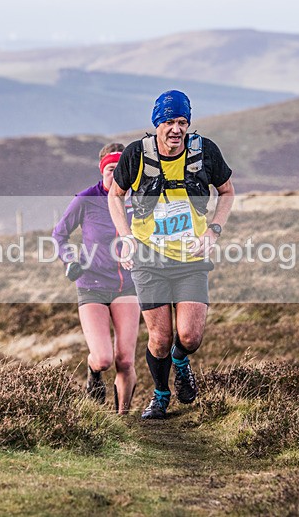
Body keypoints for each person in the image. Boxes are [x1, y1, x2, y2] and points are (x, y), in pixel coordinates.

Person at [107, 90, 235, 419]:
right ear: (156, 124)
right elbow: (115, 195)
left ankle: (182, 362)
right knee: (160, 339)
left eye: (182, 122)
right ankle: (161, 396)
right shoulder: (137, 154)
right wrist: (126, 236)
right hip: (149, 260)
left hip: (191, 258)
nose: (176, 129)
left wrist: (213, 231)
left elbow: (227, 190)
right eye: (168, 122)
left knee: (189, 338)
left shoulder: (204, 152)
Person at [52, 143, 140, 414]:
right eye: (111, 170)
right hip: (92, 285)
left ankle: (122, 417)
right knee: (102, 359)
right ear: (102, 170)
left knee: (125, 361)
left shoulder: (139, 200)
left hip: (128, 285)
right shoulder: (85, 199)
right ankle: (94, 375)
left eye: (121, 170)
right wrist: (70, 260)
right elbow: (59, 235)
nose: (116, 176)